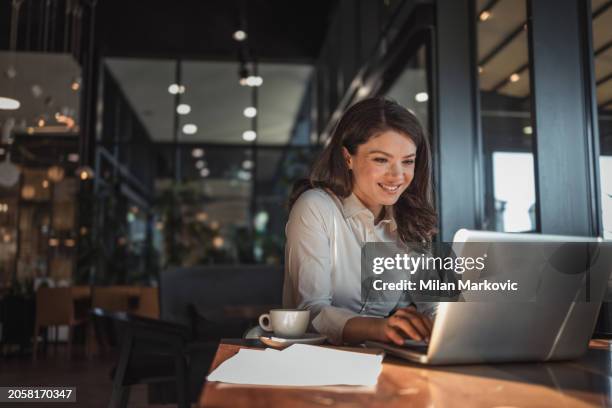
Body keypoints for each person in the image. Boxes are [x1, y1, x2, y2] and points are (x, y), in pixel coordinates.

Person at [282, 97, 438, 345]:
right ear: (348, 158)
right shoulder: (315, 207)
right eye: (381, 159)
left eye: (408, 161)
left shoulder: (410, 221)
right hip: (318, 361)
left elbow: (433, 302)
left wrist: (453, 323)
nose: (398, 175)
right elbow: (311, 311)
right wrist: (380, 328)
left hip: (382, 360)